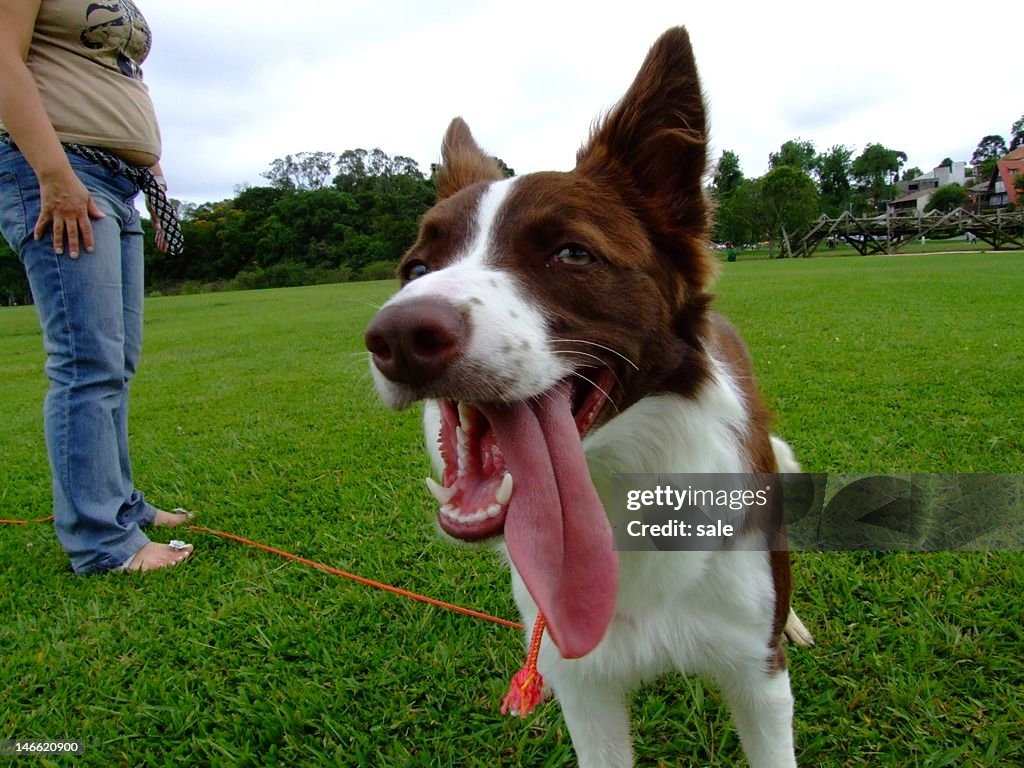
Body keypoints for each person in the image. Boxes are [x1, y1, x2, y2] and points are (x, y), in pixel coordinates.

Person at [0, 0, 192, 573]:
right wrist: (53, 174)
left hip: (117, 181)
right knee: (87, 362)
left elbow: (118, 77)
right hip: (57, 171)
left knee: (117, 359)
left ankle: (121, 506)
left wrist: (151, 173)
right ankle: (101, 543)